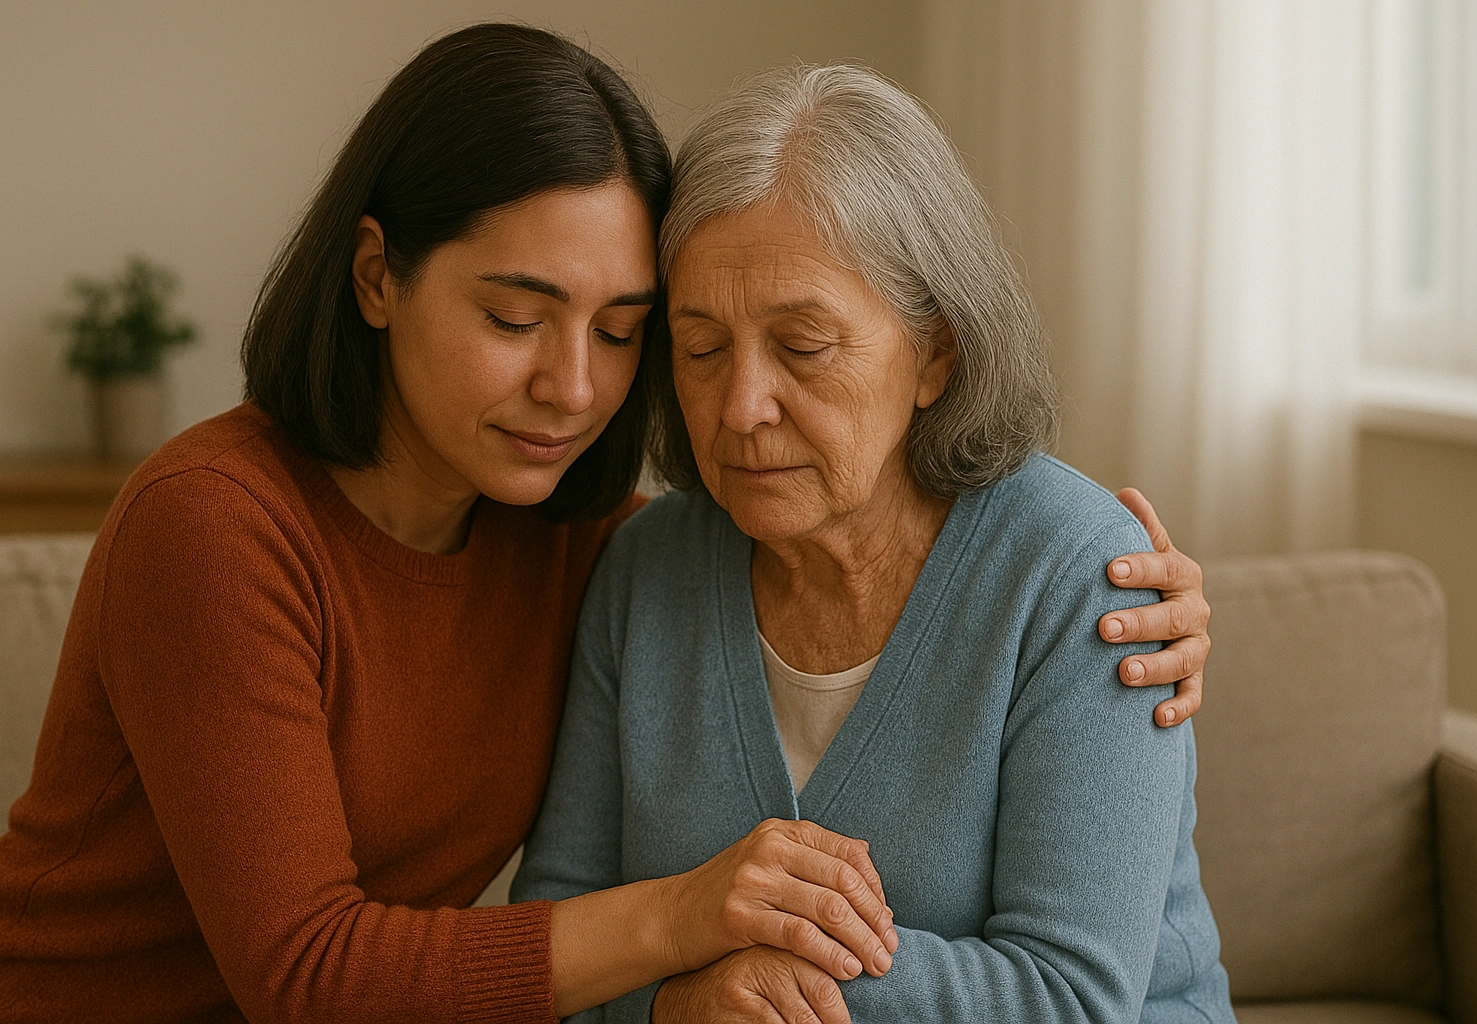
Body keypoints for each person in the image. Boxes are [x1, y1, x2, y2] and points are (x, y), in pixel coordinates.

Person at [0, 25, 1210, 1024]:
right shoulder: (220, 526)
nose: (577, 388)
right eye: (518, 316)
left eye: (624, 330)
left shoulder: (577, 537)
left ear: (935, 349)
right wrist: (687, 936)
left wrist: (1135, 596)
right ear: (376, 276)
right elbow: (317, 974)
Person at [511, 64, 1236, 1024]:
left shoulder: (1081, 578)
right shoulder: (645, 571)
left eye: (803, 346)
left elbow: (1073, 997)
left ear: (935, 351)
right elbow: (553, 927)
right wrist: (676, 1005)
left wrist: (759, 973)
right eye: (700, 349)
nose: (740, 407)